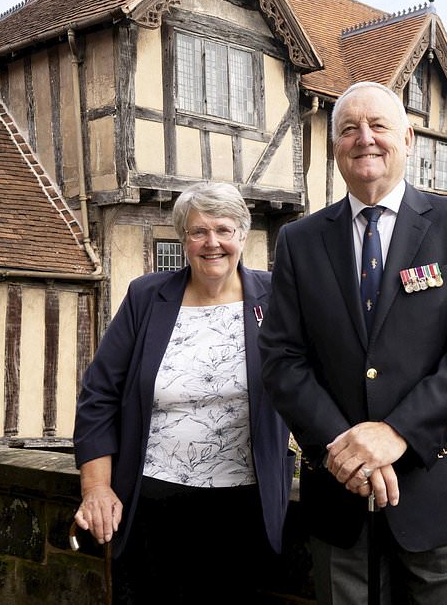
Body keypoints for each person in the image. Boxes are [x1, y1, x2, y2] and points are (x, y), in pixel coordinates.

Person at [260, 81, 447, 604]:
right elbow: (283, 359)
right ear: (334, 149)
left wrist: (397, 432)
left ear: (408, 138)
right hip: (339, 496)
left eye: (378, 126)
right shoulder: (300, 242)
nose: (364, 139)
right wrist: (344, 450)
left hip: (443, 494)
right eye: (349, 129)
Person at [73, 181, 293, 603]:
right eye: (198, 231)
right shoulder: (146, 296)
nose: (212, 242)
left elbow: (315, 374)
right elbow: (99, 394)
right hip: (152, 498)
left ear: (243, 236)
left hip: (246, 502)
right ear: (183, 239)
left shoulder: (277, 295)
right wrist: (96, 488)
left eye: (224, 230)